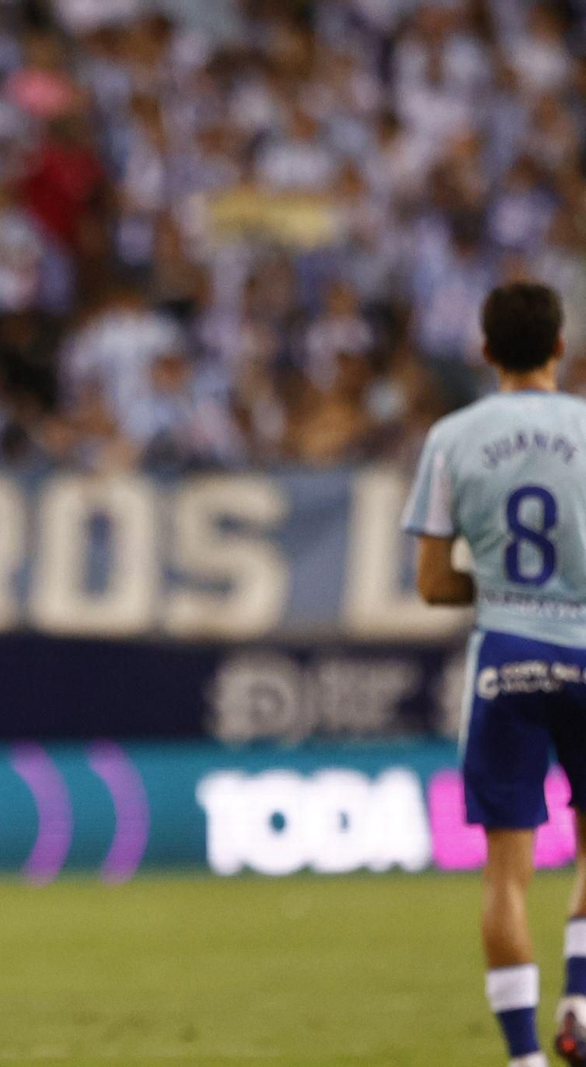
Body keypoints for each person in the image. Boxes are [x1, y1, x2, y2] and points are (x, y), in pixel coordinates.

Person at [405, 281, 586, 1067]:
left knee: (505, 877)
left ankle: (524, 1060)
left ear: (484, 352)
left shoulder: (452, 436)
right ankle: (578, 1002)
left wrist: (510, 590)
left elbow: (435, 583)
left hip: (504, 657)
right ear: (560, 346)